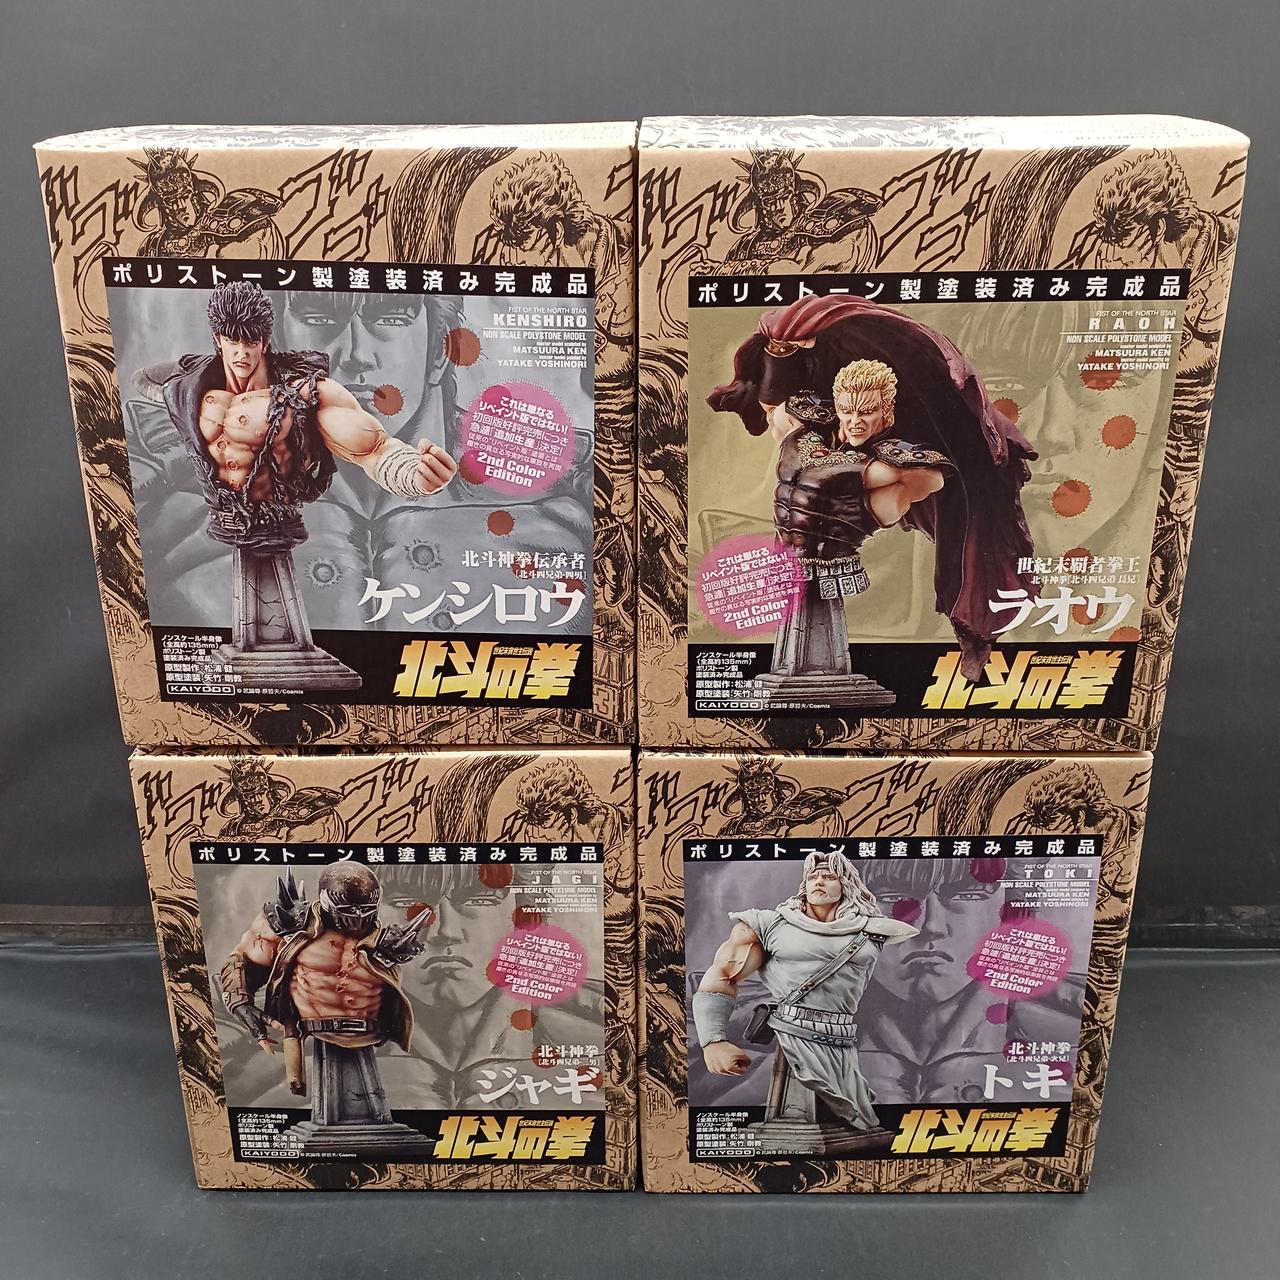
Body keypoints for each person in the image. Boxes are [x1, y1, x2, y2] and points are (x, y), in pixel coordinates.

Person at [692, 850, 917, 1133]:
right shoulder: (767, 925)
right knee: (801, 1119)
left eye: (829, 876)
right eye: (813, 877)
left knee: (855, 1120)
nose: (818, 881)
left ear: (846, 883)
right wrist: (713, 1041)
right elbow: (723, 974)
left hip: (841, 1039)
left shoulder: (873, 928)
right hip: (792, 1033)